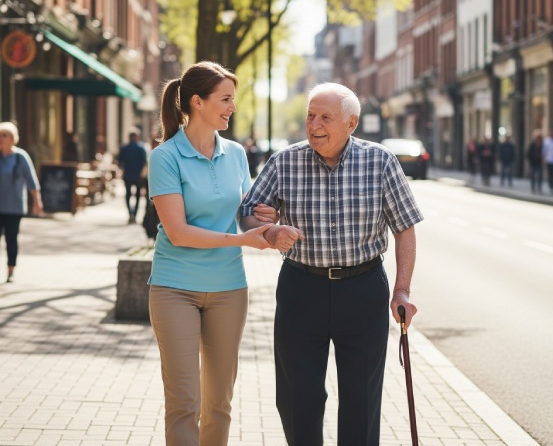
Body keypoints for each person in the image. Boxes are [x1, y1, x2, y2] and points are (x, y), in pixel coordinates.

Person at [239, 82, 423, 446]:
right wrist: (269, 230)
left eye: (325, 117)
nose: (314, 124)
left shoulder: (380, 161)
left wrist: (401, 290)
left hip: (363, 287)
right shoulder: (284, 161)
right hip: (300, 287)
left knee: (361, 398)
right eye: (310, 116)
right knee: (297, 396)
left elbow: (405, 228)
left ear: (351, 123)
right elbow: (247, 213)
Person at [147, 62, 280, 446]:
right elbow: (179, 232)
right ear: (197, 102)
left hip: (228, 289)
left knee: (219, 402)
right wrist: (244, 241)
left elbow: (242, 215)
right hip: (175, 287)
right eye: (224, 99)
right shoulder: (165, 157)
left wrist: (267, 223)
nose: (231, 108)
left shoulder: (236, 154)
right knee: (184, 402)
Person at [0, 122, 43, 282]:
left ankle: (11, 270)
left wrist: (37, 201)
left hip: (14, 207)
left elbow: (31, 180)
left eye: (4, 135)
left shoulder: (21, 157)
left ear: (12, 138)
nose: (1, 138)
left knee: (11, 239)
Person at [117, 127, 147, 223]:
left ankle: (130, 214)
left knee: (128, 195)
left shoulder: (124, 148)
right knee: (137, 196)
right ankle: (135, 215)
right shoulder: (141, 148)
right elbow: (144, 162)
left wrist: (122, 170)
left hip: (127, 175)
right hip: (137, 175)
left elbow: (119, 161)